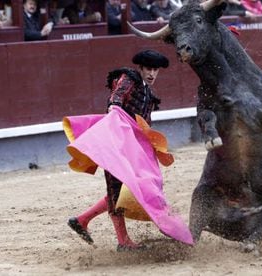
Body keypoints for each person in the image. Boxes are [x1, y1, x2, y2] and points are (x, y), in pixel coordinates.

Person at [66, 50, 193, 251]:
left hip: (131, 149)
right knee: (119, 189)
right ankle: (123, 241)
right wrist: (114, 108)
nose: (152, 73)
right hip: (116, 144)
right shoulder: (129, 79)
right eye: (148, 69)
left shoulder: (149, 94)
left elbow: (144, 124)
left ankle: (82, 220)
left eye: (155, 70)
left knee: (130, 188)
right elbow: (116, 98)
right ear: (140, 68)